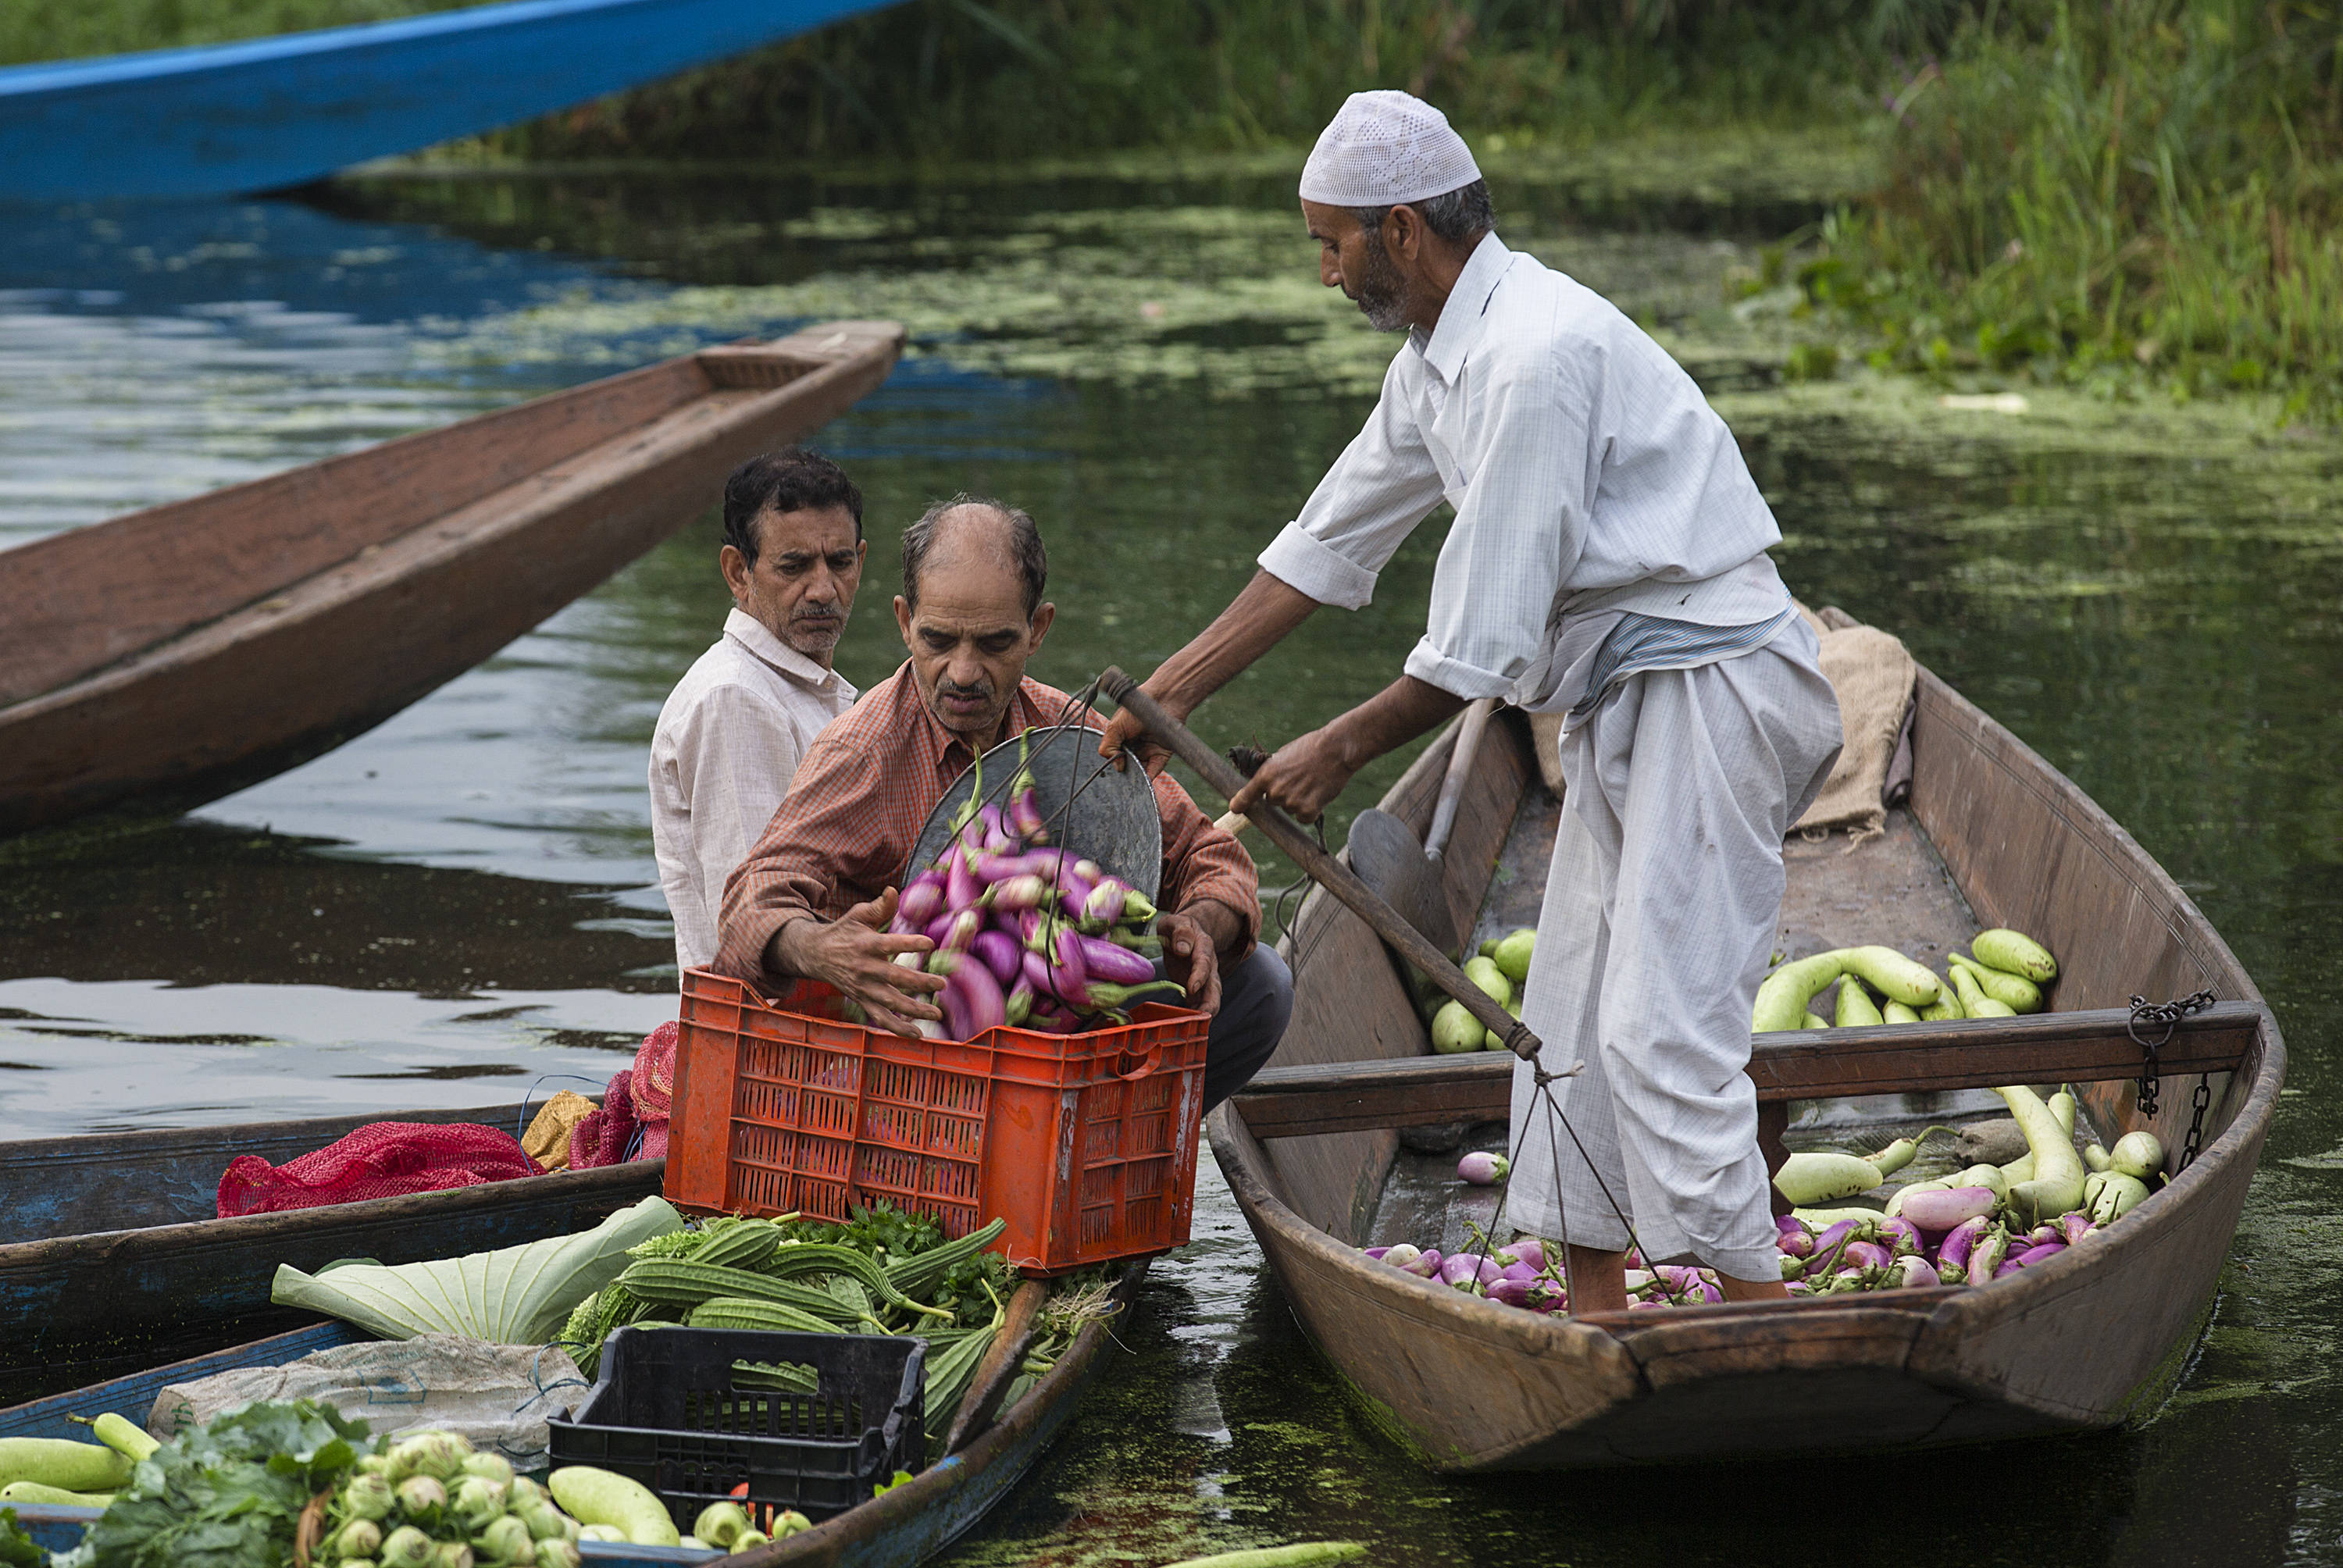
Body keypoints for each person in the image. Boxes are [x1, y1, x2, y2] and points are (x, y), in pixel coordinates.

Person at [1097, 91, 1843, 1308]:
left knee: (1662, 1028)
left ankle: (1766, 1324)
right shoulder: (1438, 361)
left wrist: (1336, 750)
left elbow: (1485, 641)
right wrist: (1163, 697)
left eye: (1331, 244)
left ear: (1401, 229)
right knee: (1572, 1016)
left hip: (1712, 690)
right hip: (1625, 697)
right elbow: (1327, 539)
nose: (1325, 274)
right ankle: (1599, 1307)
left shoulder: (1534, 354)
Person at [712, 495, 1291, 1112]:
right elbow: (750, 904)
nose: (963, 672)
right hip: (911, 1063)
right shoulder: (864, 752)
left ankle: (1093, 1148)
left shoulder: (1069, 733)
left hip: (1060, 1023)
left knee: (1260, 987)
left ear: (1037, 629)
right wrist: (822, 949)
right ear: (905, 621)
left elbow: (1214, 858)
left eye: (994, 644)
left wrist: (1198, 924)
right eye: (938, 640)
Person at [650, 448, 866, 978]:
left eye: (839, 563)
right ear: (737, 573)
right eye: (793, 567)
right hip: (765, 1036)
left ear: (860, 560)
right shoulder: (734, 697)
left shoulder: (811, 692)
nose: (822, 590)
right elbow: (755, 925)